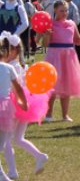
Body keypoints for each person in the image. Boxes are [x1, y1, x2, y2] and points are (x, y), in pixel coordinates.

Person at [1, 33, 48, 177]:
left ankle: (12, 171)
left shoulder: (11, 66)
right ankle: (39, 156)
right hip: (23, 104)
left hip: (12, 105)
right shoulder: (19, 65)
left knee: (7, 140)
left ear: (13, 51)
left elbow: (15, 88)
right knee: (18, 138)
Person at [40, 0, 80, 122]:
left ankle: (65, 115)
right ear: (55, 11)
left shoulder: (72, 24)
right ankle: (49, 114)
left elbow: (77, 41)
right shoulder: (50, 24)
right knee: (52, 86)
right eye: (61, 11)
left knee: (67, 86)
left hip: (69, 56)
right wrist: (47, 35)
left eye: (66, 10)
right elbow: (45, 44)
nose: (64, 13)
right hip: (54, 55)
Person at [0, 42, 27, 181]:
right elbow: (18, 88)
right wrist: (23, 102)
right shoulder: (9, 67)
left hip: (4, 106)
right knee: (3, 141)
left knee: (3, 143)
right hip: (4, 107)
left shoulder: (10, 67)